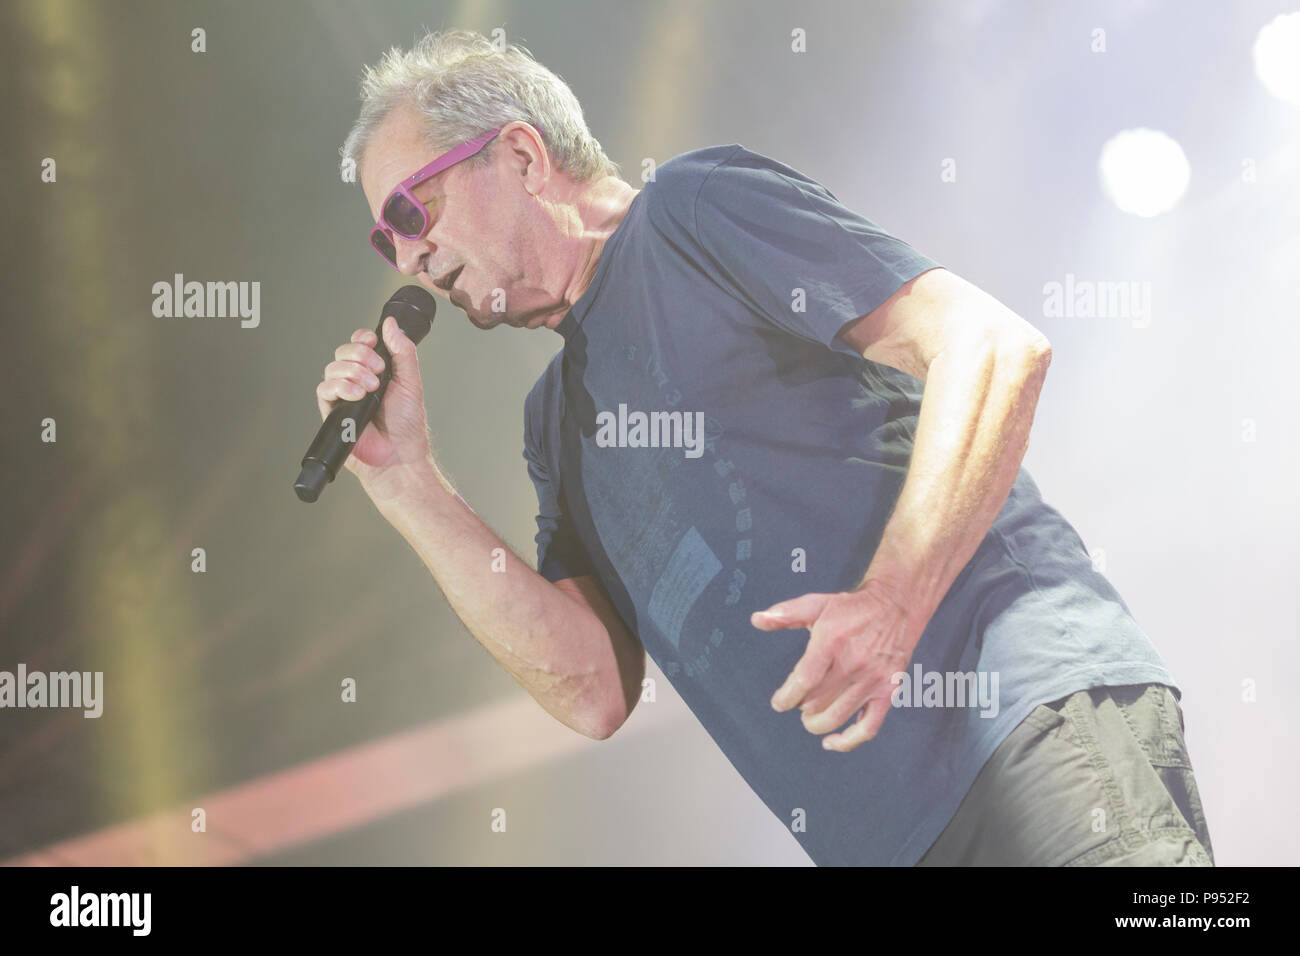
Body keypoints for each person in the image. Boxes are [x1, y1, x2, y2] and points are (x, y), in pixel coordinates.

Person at [318, 28, 1215, 866]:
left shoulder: (692, 210)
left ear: (519, 154)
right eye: (382, 236)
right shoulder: (555, 420)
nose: (405, 254)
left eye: (410, 206)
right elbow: (590, 688)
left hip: (1015, 720)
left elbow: (989, 347)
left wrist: (892, 601)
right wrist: (408, 485)